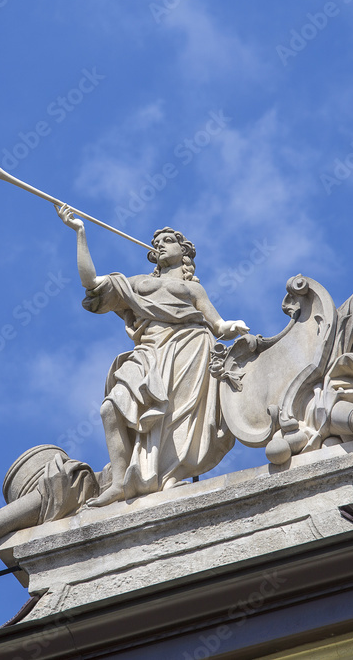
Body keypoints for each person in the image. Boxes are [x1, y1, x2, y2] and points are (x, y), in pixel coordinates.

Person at [57, 205, 249, 506]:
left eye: (168, 240)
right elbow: (91, 284)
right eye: (156, 242)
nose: (159, 244)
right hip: (149, 350)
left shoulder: (191, 289)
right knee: (111, 408)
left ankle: (168, 473)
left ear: (183, 251)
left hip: (188, 347)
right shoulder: (137, 284)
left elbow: (217, 324)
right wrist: (80, 232)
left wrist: (231, 326)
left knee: (175, 416)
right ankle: (120, 481)